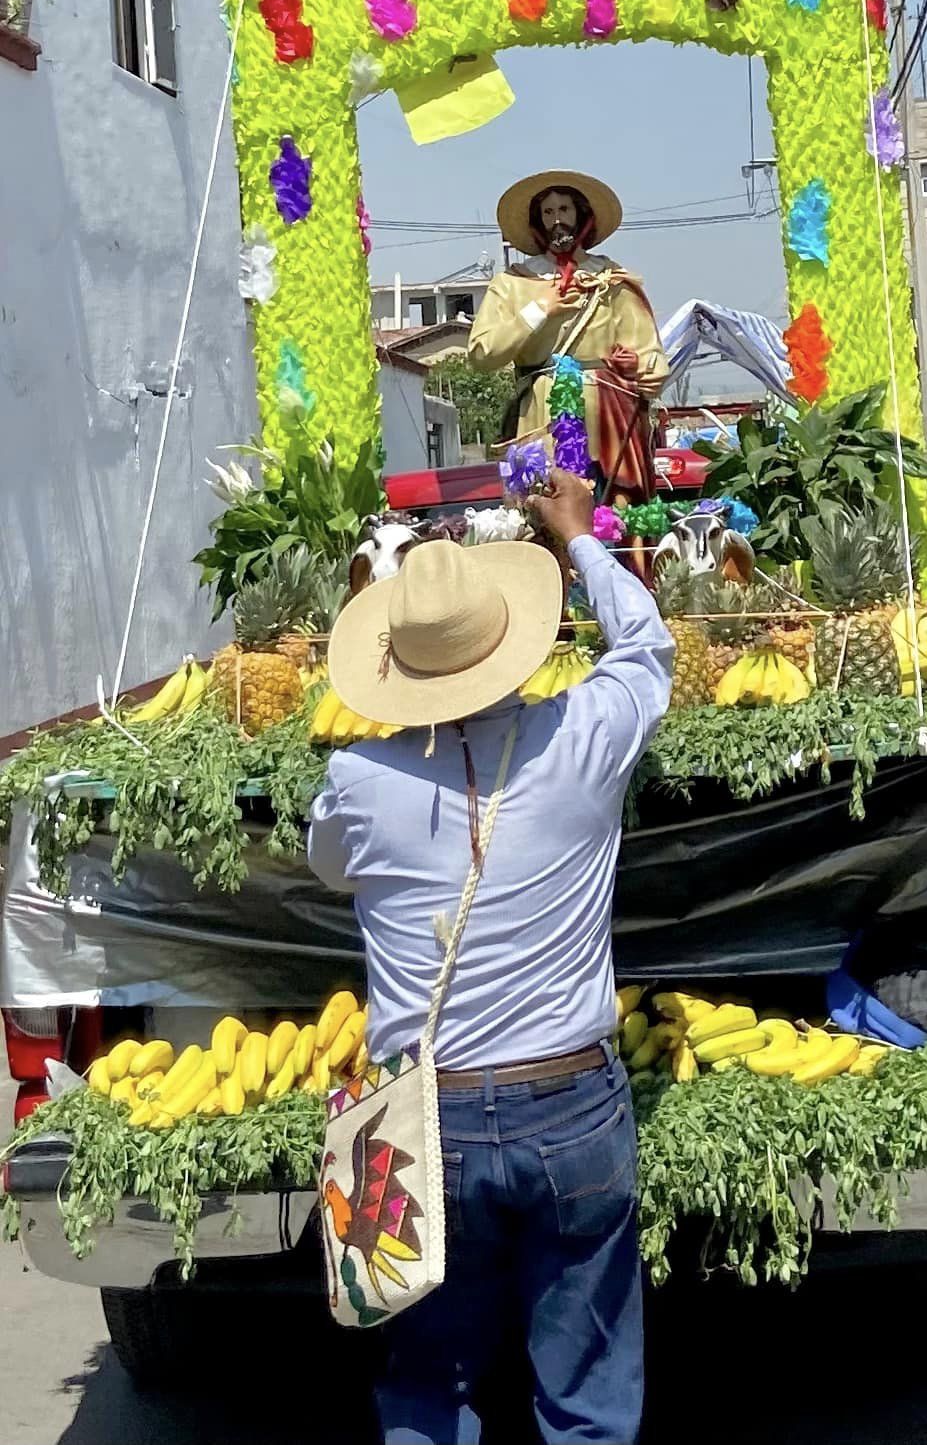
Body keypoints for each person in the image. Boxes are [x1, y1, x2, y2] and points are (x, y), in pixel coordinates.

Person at [310, 468, 673, 1444]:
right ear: (515, 646)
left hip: (424, 1114)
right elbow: (648, 648)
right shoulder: (586, 736)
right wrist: (580, 535)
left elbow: (331, 868)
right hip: (573, 1103)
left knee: (431, 1382)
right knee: (587, 1386)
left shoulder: (355, 779)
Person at [467, 168, 672, 505]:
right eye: (548, 212)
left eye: (564, 210)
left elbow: (650, 353)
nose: (557, 220)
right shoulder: (512, 283)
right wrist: (539, 309)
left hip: (611, 417)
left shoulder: (612, 279)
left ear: (581, 215)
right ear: (537, 221)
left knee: (619, 513)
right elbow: (482, 353)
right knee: (546, 506)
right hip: (542, 415)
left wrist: (641, 367)